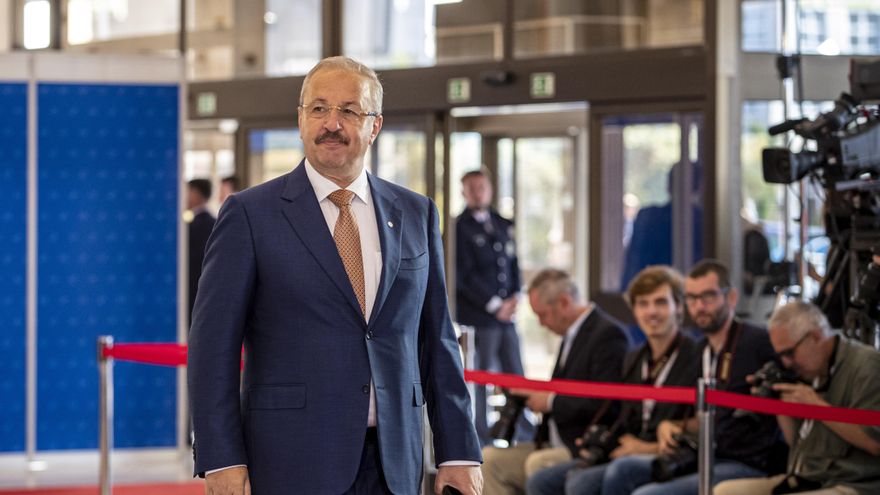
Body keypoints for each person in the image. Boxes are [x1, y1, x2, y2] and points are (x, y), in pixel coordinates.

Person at [188, 56, 482, 495]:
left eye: (349, 110)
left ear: (375, 126)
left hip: (395, 463)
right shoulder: (250, 215)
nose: (332, 123)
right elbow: (213, 347)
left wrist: (457, 451)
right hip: (289, 461)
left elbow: (435, 338)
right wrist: (222, 457)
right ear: (301, 119)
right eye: (319, 108)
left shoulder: (417, 213)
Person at [600, 259, 781, 495]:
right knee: (622, 471)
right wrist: (673, 426)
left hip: (748, 462)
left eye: (708, 297)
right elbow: (706, 418)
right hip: (705, 455)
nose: (699, 306)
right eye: (692, 298)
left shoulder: (756, 342)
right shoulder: (702, 350)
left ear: (731, 298)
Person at [526, 265, 700, 495]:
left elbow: (699, 427)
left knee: (595, 479)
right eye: (643, 304)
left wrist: (646, 448)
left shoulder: (695, 356)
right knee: (542, 480)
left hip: (671, 456)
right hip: (628, 448)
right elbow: (622, 415)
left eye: (660, 302)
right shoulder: (635, 359)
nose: (651, 312)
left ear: (678, 306)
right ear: (634, 310)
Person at [481, 269, 630, 495]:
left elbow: (606, 404)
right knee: (490, 460)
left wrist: (550, 401)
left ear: (563, 302)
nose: (541, 324)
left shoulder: (608, 335)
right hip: (552, 442)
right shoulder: (571, 336)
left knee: (539, 464)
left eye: (543, 315)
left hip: (582, 446)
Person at [715, 301, 880, 495]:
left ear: (816, 337)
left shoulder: (865, 365)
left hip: (852, 483)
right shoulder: (811, 370)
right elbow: (796, 442)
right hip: (807, 477)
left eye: (789, 353)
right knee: (723, 491)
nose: (786, 363)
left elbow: (874, 442)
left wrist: (817, 407)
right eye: (781, 355)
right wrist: (779, 406)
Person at [455, 169, 531, 445]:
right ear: (463, 192)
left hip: (506, 317)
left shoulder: (502, 223)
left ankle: (522, 432)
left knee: (515, 373)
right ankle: (479, 434)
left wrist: (514, 298)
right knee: (480, 377)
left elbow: (512, 264)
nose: (478, 192)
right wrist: (495, 305)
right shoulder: (457, 229)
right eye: (471, 188)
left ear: (490, 189)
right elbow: (461, 275)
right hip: (479, 318)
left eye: (482, 186)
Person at [186, 178, 215, 325]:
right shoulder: (215, 222)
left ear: (196, 194)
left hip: (193, 290)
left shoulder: (193, 228)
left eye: (188, 191)